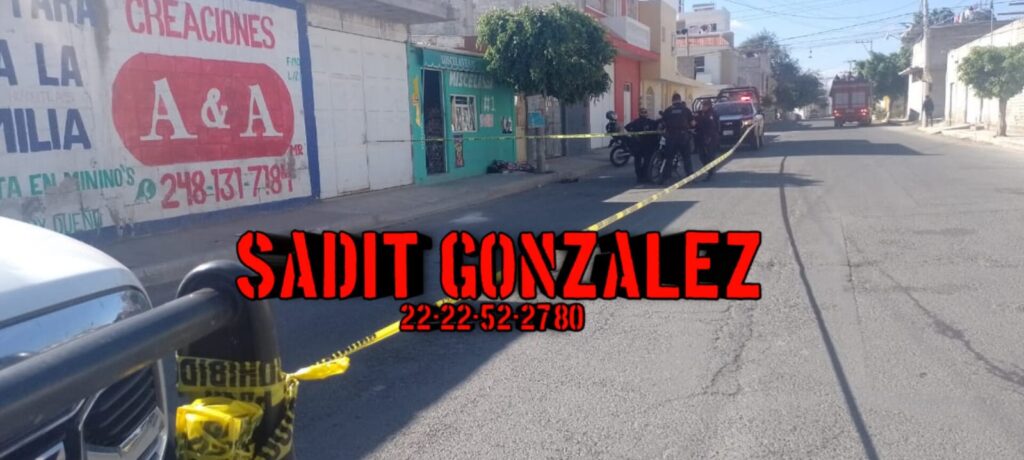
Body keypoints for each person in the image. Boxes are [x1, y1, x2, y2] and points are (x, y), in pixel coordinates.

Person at [657, 93, 696, 183]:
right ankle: (690, 177)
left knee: (669, 158)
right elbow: (693, 123)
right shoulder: (686, 110)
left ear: (672, 100)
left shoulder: (668, 110)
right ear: (680, 99)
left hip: (671, 137)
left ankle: (666, 178)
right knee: (686, 158)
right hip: (683, 137)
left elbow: (662, 124)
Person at [624, 107, 661, 183]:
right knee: (644, 161)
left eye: (645, 112)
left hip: (642, 145)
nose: (644, 113)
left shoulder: (639, 122)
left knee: (642, 161)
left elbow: (626, 128)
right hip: (645, 146)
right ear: (640, 113)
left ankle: (641, 176)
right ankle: (642, 176)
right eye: (643, 112)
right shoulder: (646, 122)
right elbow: (627, 128)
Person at [693, 100, 720, 181]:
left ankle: (710, 172)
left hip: (711, 137)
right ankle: (708, 169)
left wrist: (709, 137)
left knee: (710, 155)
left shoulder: (712, 114)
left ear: (708, 106)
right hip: (701, 137)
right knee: (702, 156)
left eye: (705, 106)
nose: (703, 107)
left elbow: (711, 125)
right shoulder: (700, 113)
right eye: (702, 106)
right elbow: (696, 122)